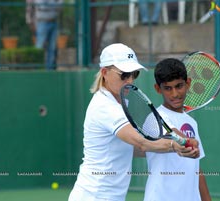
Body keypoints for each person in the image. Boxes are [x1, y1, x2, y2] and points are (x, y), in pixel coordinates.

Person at [68, 43, 199, 201]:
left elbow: (135, 150)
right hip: (93, 196)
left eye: (134, 74)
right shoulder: (104, 107)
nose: (129, 80)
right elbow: (142, 143)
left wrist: (180, 144)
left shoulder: (122, 104)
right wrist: (173, 145)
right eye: (124, 75)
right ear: (104, 72)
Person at [143, 58, 211, 201]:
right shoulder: (155, 117)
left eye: (179, 86)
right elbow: (173, 133)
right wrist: (187, 142)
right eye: (168, 88)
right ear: (157, 88)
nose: (174, 94)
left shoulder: (191, 122)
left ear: (188, 84)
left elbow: (196, 168)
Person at [26, 0, 63, 70]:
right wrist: (30, 22)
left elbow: (60, 6)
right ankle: (37, 68)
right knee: (39, 47)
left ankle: (50, 70)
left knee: (52, 48)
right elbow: (30, 7)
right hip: (41, 22)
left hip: (53, 21)